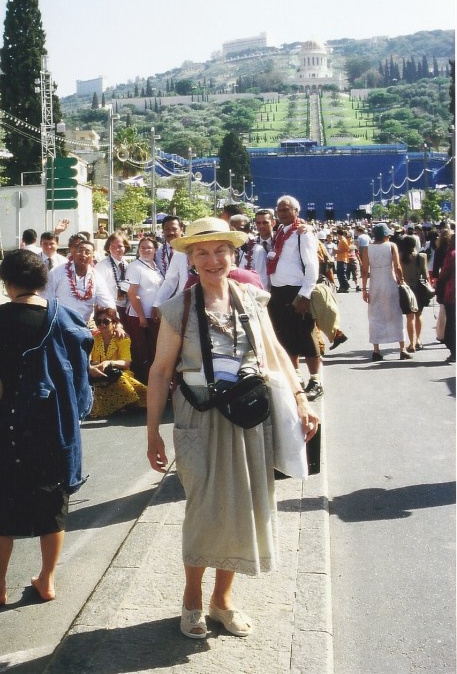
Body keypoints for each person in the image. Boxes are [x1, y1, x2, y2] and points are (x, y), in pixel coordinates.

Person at [146, 217, 319, 639]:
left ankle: (222, 601)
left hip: (249, 419)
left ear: (233, 254)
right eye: (201, 252)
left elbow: (276, 353)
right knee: (204, 510)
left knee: (245, 509)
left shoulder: (253, 299)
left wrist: (300, 399)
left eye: (220, 250)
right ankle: (191, 600)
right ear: (190, 259)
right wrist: (152, 431)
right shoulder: (178, 309)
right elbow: (160, 370)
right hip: (198, 419)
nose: (212, 259)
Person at [0, 249, 94, 606]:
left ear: (7, 282)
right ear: (43, 281)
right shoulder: (66, 316)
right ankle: (46, 581)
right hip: (54, 424)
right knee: (53, 502)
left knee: (4, 501)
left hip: (8, 424)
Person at [267, 195, 323, 400]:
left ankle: (315, 380)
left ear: (296, 211)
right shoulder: (281, 231)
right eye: (279, 210)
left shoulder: (303, 233)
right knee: (286, 337)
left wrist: (305, 295)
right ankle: (296, 378)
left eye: (286, 210)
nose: (282, 213)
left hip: (298, 291)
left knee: (306, 336)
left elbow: (312, 266)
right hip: (278, 291)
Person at [361, 223, 410, 361]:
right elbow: (397, 267)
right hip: (390, 282)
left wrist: (364, 289)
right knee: (395, 313)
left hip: (375, 284)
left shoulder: (367, 249)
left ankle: (376, 350)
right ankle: (402, 349)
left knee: (374, 315)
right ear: (386, 235)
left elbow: (365, 271)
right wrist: (402, 281)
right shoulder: (391, 246)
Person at [88, 307, 147, 418]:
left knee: (121, 379)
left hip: (119, 373)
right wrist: (93, 365)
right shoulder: (93, 339)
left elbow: (126, 363)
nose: (102, 324)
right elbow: (89, 358)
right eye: (98, 322)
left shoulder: (123, 339)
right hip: (97, 374)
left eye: (106, 321)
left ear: (114, 323)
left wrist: (109, 363)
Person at [44, 239, 116, 324]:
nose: (83, 254)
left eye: (87, 252)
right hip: (60, 323)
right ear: (74, 253)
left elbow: (107, 302)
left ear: (93, 257)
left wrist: (116, 322)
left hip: (85, 325)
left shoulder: (97, 277)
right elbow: (47, 298)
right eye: (80, 251)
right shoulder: (57, 272)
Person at [125, 234, 163, 383]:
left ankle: (154, 382)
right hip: (138, 316)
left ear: (155, 250)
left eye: (149, 247)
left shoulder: (155, 266)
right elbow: (132, 293)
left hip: (153, 315)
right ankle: (143, 385)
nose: (146, 250)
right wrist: (141, 317)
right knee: (142, 352)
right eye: (142, 248)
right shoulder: (135, 267)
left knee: (154, 350)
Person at [398, 235, 430, 352]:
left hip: (405, 289)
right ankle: (418, 340)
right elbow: (426, 276)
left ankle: (410, 344)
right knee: (418, 314)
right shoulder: (421, 257)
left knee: (409, 317)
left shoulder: (399, 257)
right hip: (418, 288)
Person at [95, 232, 131, 324]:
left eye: (119, 246)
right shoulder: (102, 266)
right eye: (113, 246)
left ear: (125, 247)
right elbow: (97, 291)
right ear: (108, 247)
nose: (116, 249)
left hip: (124, 307)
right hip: (108, 309)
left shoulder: (126, 264)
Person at [437, 234, 455, 364]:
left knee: (452, 322)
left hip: (452, 293)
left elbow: (444, 274)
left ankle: (454, 351)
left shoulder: (452, 255)